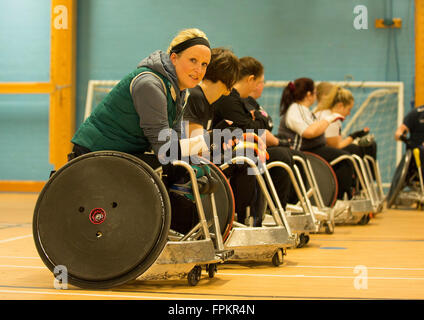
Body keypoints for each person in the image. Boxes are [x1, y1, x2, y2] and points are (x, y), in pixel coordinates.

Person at [70, 28, 212, 186]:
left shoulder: (181, 92)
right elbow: (165, 149)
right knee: (176, 172)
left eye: (204, 64)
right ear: (173, 58)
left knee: (186, 170)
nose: (199, 70)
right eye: (193, 60)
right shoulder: (150, 84)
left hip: (123, 154)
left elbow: (174, 143)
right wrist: (206, 141)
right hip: (95, 153)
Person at [183, 48, 264, 226]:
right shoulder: (196, 97)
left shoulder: (207, 100)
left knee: (250, 152)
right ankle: (241, 219)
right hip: (188, 168)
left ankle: (250, 218)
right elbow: (198, 149)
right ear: (228, 81)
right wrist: (225, 139)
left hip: (197, 161)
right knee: (246, 158)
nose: (230, 91)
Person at [212, 56, 295, 211]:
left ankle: (274, 210)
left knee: (284, 154)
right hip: (221, 150)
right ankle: (250, 214)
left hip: (236, 147)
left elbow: (266, 123)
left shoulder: (243, 99)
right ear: (251, 79)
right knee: (268, 155)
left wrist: (257, 120)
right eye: (260, 82)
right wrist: (258, 119)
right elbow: (253, 128)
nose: (261, 86)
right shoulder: (229, 98)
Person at [278, 77, 355, 199]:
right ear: (309, 95)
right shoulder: (296, 109)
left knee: (345, 156)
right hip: (303, 152)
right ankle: (339, 201)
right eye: (315, 93)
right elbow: (310, 132)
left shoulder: (304, 110)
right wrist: (330, 119)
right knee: (344, 159)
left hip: (314, 149)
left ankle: (343, 197)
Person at [314, 85, 375, 159]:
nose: (349, 113)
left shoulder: (325, 113)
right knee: (363, 148)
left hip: (321, 152)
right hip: (321, 156)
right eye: (349, 109)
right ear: (340, 106)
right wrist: (354, 136)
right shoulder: (331, 119)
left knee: (364, 146)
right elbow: (337, 147)